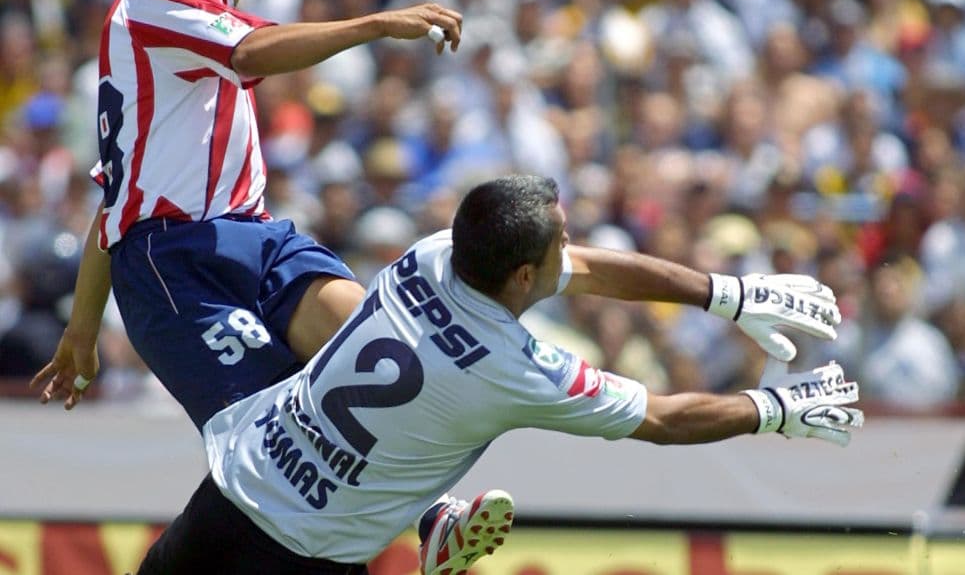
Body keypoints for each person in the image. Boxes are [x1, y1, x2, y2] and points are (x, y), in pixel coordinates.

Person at [136, 175, 863, 575]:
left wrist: (726, 293)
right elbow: (667, 421)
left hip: (232, 493)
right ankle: (434, 520)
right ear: (523, 274)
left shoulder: (432, 253)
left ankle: (435, 519)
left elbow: (595, 271)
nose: (572, 251)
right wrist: (775, 406)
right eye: (562, 242)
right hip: (306, 558)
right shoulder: (515, 369)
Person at [30, 0, 464, 428]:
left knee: (379, 348)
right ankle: (427, 511)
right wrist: (376, 24)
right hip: (176, 260)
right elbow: (251, 53)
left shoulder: (204, 26)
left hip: (256, 238)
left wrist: (82, 331)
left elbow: (114, 201)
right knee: (280, 434)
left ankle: (433, 512)